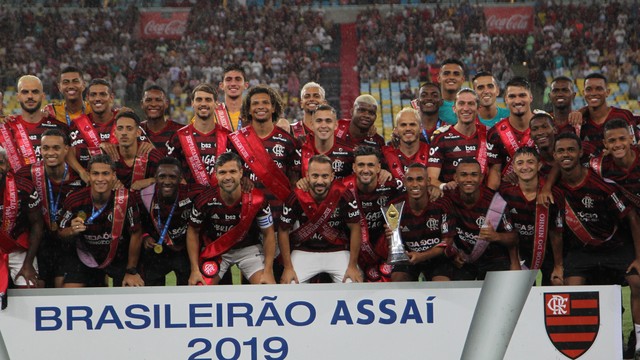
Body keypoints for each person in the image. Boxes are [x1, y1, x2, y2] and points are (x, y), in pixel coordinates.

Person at [552, 132, 640, 358]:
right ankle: (594, 342)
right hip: (583, 251)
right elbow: (556, 231)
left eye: (571, 150)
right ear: (554, 155)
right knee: (570, 291)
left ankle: (638, 339)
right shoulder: (554, 189)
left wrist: (639, 258)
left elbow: (631, 218)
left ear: (581, 152)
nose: (566, 154)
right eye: (561, 151)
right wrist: (559, 266)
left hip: (615, 247)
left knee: (637, 279)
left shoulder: (601, 185)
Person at [187, 152, 276, 285]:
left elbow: (268, 233)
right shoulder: (204, 200)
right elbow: (193, 232)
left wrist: (268, 271)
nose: (228, 177)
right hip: (216, 252)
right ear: (216, 175)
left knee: (266, 286)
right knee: (199, 287)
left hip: (248, 250)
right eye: (222, 172)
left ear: (241, 173)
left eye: (232, 171)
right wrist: (194, 270)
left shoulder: (257, 199)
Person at [57, 154, 144, 287]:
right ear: (89, 175)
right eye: (95, 174)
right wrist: (72, 231)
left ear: (113, 175)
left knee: (132, 287)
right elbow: (61, 232)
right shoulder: (74, 200)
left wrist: (131, 269)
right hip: (86, 256)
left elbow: (136, 233)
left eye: (105, 174)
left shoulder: (126, 200)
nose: (100, 179)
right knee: (70, 293)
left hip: (118, 257)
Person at [278, 154, 363, 284]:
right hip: (304, 250)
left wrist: (352, 266)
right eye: (315, 176)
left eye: (325, 176)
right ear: (307, 175)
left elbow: (356, 228)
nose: (319, 181)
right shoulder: (296, 196)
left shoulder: (343, 194)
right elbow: (283, 230)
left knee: (353, 283)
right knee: (290, 285)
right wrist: (288, 267)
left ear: (332, 176)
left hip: (337, 250)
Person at [16, 129, 84, 288]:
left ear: (66, 149)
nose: (50, 153)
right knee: (35, 285)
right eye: (45, 148)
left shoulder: (79, 175)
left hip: (71, 243)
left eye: (56, 148)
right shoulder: (27, 174)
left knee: (66, 288)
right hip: (39, 243)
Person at [230, 85, 298, 227]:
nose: (261, 107)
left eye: (265, 102)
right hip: (248, 218)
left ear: (273, 108)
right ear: (248, 109)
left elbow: (294, 181)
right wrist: (241, 179)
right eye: (255, 103)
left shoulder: (288, 141)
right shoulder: (236, 141)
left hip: (280, 218)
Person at [440, 159, 519, 280]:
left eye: (474, 175)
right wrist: (453, 254)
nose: (469, 179)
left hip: (494, 260)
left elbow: (513, 238)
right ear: (455, 177)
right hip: (462, 260)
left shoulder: (495, 202)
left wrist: (496, 236)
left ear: (481, 177)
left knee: (495, 295)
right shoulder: (447, 198)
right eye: (463, 175)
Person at [498, 146, 563, 285]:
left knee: (556, 286)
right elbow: (509, 232)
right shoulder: (506, 193)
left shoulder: (553, 194)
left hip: (547, 251)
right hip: (519, 251)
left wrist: (558, 266)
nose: (525, 167)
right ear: (514, 168)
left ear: (539, 165)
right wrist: (515, 262)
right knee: (520, 293)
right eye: (520, 163)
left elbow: (556, 233)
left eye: (530, 162)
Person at [134, 157, 202, 286]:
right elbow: (138, 222)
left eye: (172, 177)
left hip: (184, 252)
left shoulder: (193, 193)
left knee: (188, 292)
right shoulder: (144, 196)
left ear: (180, 178)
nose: (167, 181)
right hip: (156, 253)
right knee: (152, 294)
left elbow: (216, 192)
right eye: (162, 176)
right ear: (155, 177)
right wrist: (145, 236)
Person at [343, 145, 403, 282]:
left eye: (370, 165)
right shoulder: (343, 189)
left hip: (384, 250)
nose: (365, 170)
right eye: (361, 165)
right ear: (353, 167)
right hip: (353, 252)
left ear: (378, 168)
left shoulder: (392, 186)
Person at [387, 163, 450, 282]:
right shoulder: (394, 207)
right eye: (410, 180)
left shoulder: (442, 203)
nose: (415, 184)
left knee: (442, 283)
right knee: (398, 279)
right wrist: (389, 237)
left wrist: (422, 256)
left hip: (436, 258)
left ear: (428, 181)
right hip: (408, 257)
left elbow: (447, 242)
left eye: (419, 179)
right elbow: (393, 243)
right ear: (404, 182)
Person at [0, 144, 44, 308]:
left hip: (17, 247)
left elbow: (37, 224)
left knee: (30, 287)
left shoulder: (23, 187)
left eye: (1, 163)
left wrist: (28, 262)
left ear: (7, 164)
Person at [168, 84, 230, 186]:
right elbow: (170, 169)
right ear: (192, 103)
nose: (203, 103)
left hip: (222, 199)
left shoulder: (228, 137)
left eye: (208, 100)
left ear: (216, 104)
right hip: (189, 199)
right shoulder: (178, 137)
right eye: (199, 99)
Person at [428, 88, 489, 189]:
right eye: (461, 103)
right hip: (451, 198)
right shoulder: (441, 137)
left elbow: (495, 172)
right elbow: (431, 178)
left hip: (482, 198)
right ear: (454, 109)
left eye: (471, 104)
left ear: (478, 109)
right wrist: (444, 186)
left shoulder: (489, 135)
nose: (466, 108)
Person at [7, 75, 70, 166]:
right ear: (18, 96)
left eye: (35, 92)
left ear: (43, 96)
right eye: (25, 92)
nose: (30, 96)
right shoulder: (7, 128)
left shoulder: (60, 127)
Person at [487, 77, 535, 190]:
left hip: (541, 194)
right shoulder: (495, 133)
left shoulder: (544, 127)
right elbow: (495, 172)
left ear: (531, 97)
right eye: (512, 96)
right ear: (506, 100)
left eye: (522, 95)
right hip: (509, 196)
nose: (517, 101)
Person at [576, 73, 640, 148]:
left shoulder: (623, 116)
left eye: (599, 89)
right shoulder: (579, 121)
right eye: (589, 89)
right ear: (584, 93)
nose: (593, 93)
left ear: (607, 92)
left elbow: (634, 148)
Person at [298, 104, 355, 180]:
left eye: (328, 121)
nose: (323, 125)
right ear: (312, 125)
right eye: (319, 121)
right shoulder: (300, 148)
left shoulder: (350, 153)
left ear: (336, 125)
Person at [113, 111, 163, 190]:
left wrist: (151, 181)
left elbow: (176, 180)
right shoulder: (108, 156)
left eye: (129, 128)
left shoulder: (152, 156)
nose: (124, 133)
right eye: (120, 128)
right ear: (115, 133)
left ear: (138, 132)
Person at [382, 107, 430, 181]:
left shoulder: (432, 153)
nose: (408, 128)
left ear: (421, 129)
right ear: (396, 130)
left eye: (412, 124)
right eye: (403, 125)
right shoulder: (385, 154)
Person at [140, 85, 183, 156]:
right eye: (148, 100)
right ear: (142, 104)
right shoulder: (136, 130)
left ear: (166, 104)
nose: (153, 104)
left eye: (158, 100)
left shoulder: (180, 131)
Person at [218, 64, 249, 131]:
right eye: (228, 80)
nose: (233, 84)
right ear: (221, 85)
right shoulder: (212, 114)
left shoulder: (252, 114)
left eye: (238, 79)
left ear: (246, 85)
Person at [437, 58, 466, 125]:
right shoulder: (429, 107)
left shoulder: (473, 107)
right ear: (439, 78)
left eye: (456, 74)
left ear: (462, 79)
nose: (451, 77)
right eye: (446, 74)